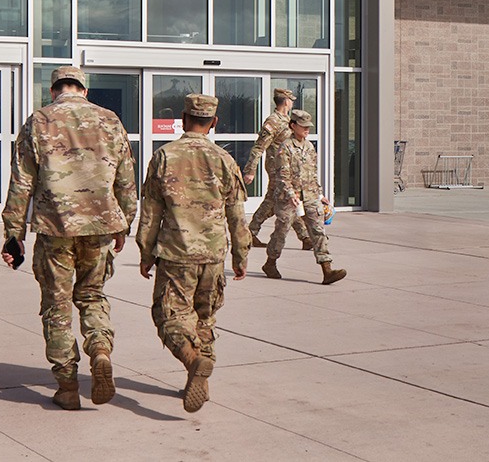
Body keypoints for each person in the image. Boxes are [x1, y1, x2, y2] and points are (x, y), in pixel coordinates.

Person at [0, 65, 138, 411]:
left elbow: (22, 183)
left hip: (54, 229)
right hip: (100, 227)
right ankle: (100, 349)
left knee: (56, 305)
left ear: (53, 91)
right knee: (92, 295)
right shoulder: (110, 120)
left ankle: (67, 385)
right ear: (84, 90)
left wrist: (13, 234)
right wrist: (124, 224)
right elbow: (126, 179)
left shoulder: (38, 121)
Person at [136, 92, 251, 414]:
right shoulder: (225, 160)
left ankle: (193, 360)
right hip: (213, 256)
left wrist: (145, 252)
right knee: (204, 318)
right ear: (213, 123)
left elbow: (150, 212)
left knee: (168, 316)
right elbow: (237, 217)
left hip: (176, 255)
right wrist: (241, 256)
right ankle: (201, 375)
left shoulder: (164, 156)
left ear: (183, 120)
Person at [261, 109, 345, 285]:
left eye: (308, 127)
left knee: (318, 231)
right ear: (293, 126)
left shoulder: (309, 146)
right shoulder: (285, 147)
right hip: (289, 198)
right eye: (303, 126)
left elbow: (312, 173)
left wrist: (320, 194)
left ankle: (327, 270)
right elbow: (282, 176)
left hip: (310, 196)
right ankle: (270, 263)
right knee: (281, 232)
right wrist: (291, 194)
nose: (307, 129)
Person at [248, 87, 311, 251]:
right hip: (277, 169)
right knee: (286, 201)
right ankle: (305, 237)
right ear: (286, 101)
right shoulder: (273, 122)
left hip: (288, 168)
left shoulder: (288, 120)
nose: (291, 103)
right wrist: (250, 170)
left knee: (278, 200)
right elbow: (258, 148)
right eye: (291, 100)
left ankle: (250, 233)